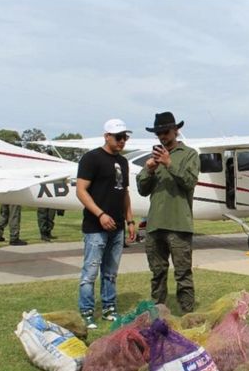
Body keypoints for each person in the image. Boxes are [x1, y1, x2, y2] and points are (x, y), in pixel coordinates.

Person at [76, 118, 136, 329]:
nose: (122, 141)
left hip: (118, 226)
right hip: (95, 227)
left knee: (110, 272)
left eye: (125, 137)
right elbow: (81, 190)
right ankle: (86, 311)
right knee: (90, 272)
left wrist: (130, 220)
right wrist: (100, 214)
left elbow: (124, 193)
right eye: (118, 137)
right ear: (106, 136)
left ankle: (110, 307)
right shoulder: (91, 158)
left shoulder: (124, 162)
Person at [137, 112, 199, 313]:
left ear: (176, 130)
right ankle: (158, 313)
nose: (162, 136)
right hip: (155, 225)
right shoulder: (154, 158)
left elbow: (189, 182)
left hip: (179, 224)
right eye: (158, 133)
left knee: (183, 273)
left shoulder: (189, 154)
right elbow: (142, 189)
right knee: (157, 273)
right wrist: (149, 170)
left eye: (165, 131)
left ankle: (187, 313)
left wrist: (169, 164)